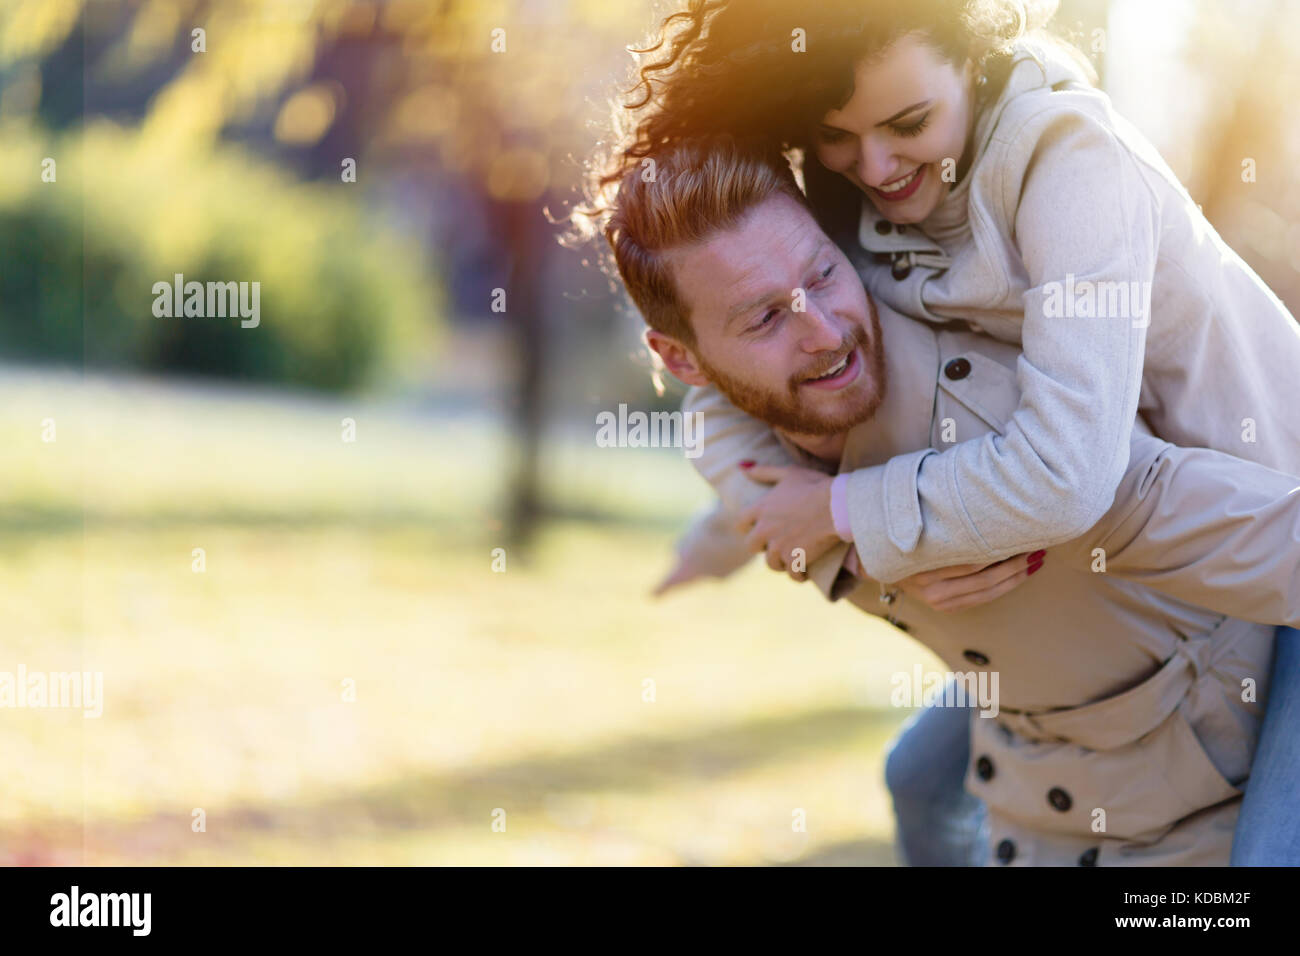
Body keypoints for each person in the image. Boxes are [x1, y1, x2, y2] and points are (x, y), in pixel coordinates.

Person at [588, 0, 1300, 864]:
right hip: (1124, 549)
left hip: (1266, 539)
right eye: (836, 135)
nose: (877, 165)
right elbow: (734, 380)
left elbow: (1068, 478)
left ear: (972, 59)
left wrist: (853, 514)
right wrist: (750, 521)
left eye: (909, 122)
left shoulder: (1073, 169)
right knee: (921, 780)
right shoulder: (853, 189)